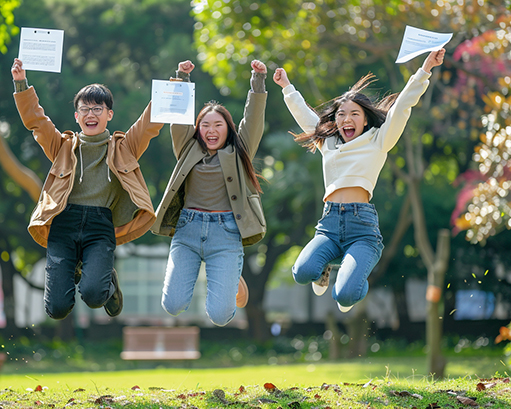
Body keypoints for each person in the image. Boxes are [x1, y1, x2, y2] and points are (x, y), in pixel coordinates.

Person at [273, 49, 446, 312]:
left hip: (362, 230)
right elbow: (306, 118)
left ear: (365, 120)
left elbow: (402, 107)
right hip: (329, 225)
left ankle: (352, 280)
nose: (346, 119)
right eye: (341, 114)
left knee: (345, 296)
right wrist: (287, 87)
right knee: (302, 273)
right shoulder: (328, 143)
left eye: (354, 113)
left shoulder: (379, 140)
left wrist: (425, 70)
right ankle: (324, 268)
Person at [11, 58, 164, 320]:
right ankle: (82, 268)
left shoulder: (124, 147)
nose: (90, 114)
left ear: (109, 114)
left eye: (97, 109)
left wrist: (178, 82)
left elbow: (148, 124)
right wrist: (21, 83)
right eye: (85, 109)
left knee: (94, 295)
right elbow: (36, 120)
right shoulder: (61, 146)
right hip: (64, 223)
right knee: (56, 309)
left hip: (100, 226)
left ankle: (107, 280)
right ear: (76, 116)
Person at [151, 59, 268, 326]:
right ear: (198, 128)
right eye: (205, 125)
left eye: (218, 125)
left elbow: (253, 120)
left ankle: (231, 276)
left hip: (226, 233)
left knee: (219, 317)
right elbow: (178, 119)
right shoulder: (186, 148)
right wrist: (182, 77)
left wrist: (258, 80)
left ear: (228, 128)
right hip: (188, 230)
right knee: (172, 305)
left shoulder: (239, 151)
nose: (211, 130)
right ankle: (227, 275)